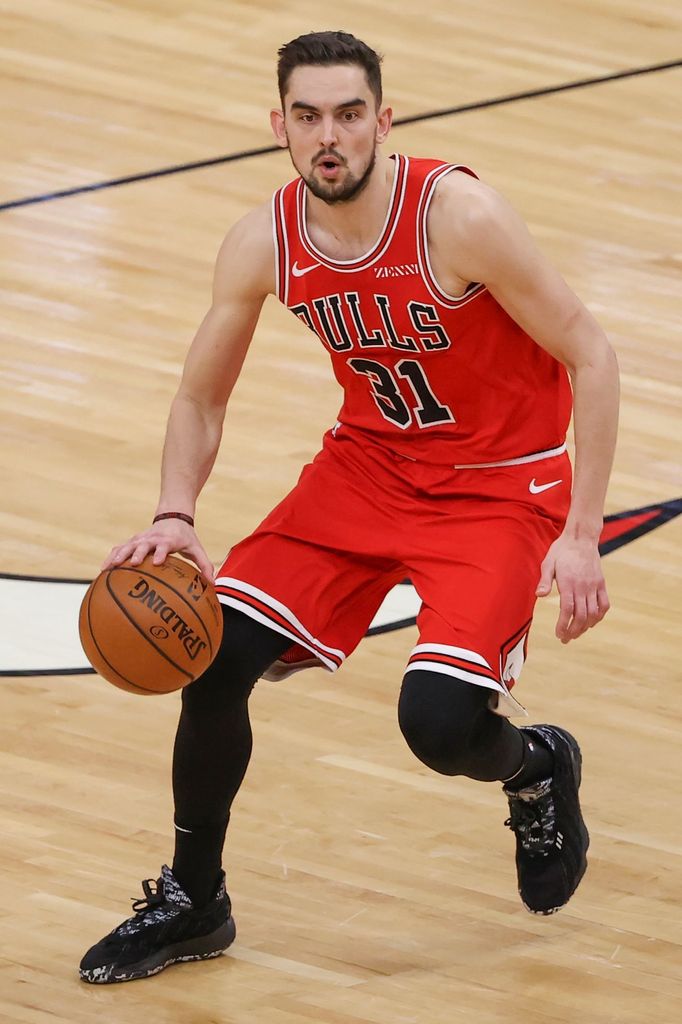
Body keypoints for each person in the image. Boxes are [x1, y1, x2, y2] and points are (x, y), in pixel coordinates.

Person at [79, 30, 619, 984]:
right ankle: (194, 898)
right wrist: (174, 513)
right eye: (307, 116)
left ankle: (535, 768)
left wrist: (582, 536)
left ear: (384, 118)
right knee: (209, 657)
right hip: (367, 469)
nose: (329, 134)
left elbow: (592, 354)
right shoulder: (266, 238)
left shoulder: (459, 216)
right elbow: (201, 396)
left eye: (349, 113)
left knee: (440, 726)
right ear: (279, 126)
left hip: (499, 486)